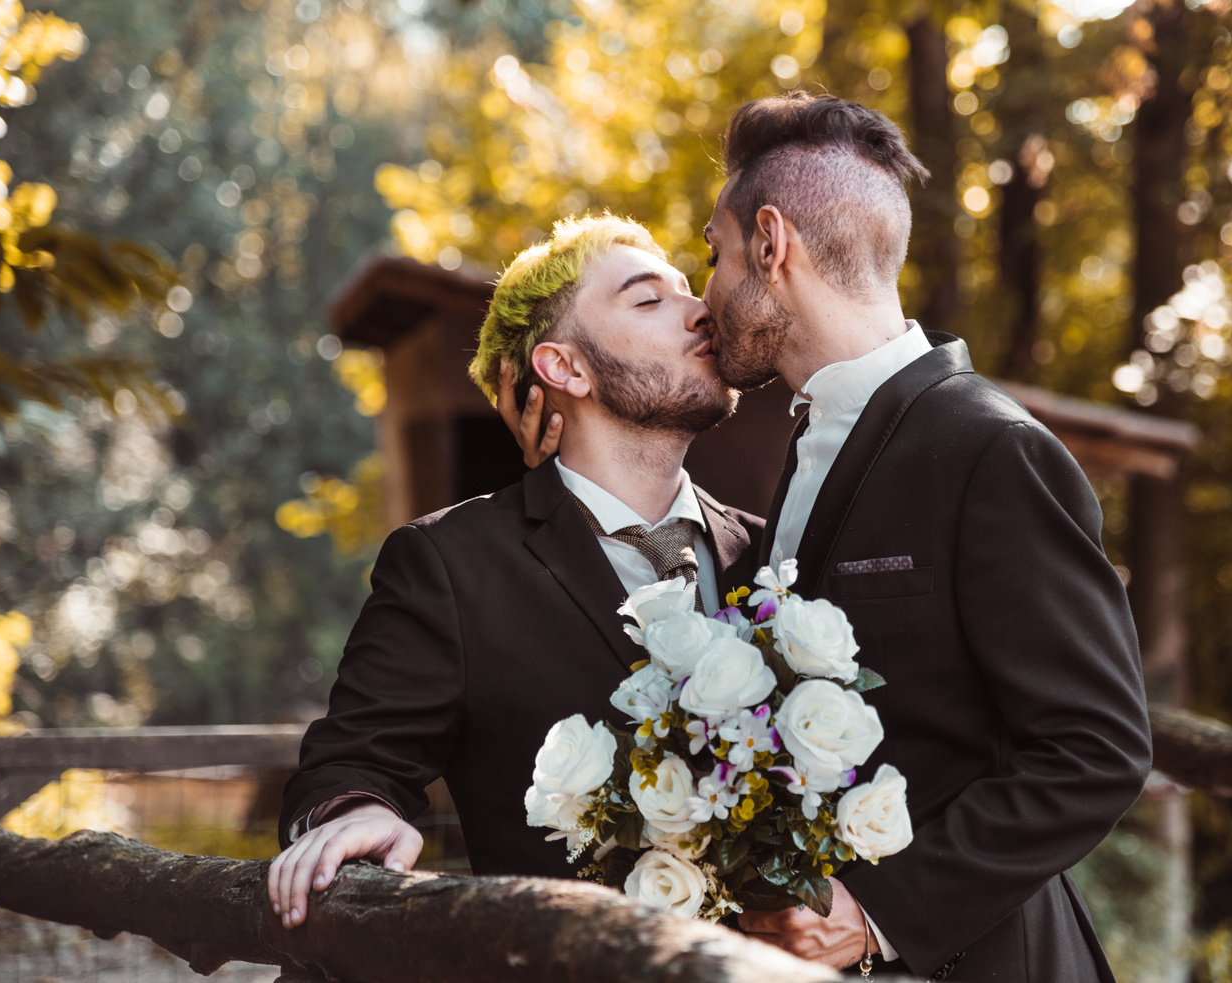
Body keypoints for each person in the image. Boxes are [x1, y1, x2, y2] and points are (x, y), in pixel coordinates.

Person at [508, 92, 1153, 982]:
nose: (707, 296)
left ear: (772, 245)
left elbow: (1098, 747)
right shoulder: (808, 448)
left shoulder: (990, 447)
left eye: (716, 253)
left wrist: (881, 913)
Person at [267, 214, 765, 929]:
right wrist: (356, 813)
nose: (702, 311)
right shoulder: (449, 564)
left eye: (689, 292)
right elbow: (349, 762)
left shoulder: (772, 552)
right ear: (565, 368)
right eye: (649, 299)